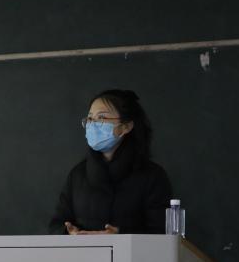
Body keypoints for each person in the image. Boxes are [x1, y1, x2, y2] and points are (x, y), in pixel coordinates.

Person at [49, 89, 171, 235]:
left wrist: (120, 235)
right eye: (90, 118)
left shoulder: (152, 176)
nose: (92, 124)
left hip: (131, 251)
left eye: (101, 117)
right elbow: (56, 224)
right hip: (84, 250)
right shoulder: (77, 174)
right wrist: (69, 232)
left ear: (126, 126)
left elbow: (162, 233)